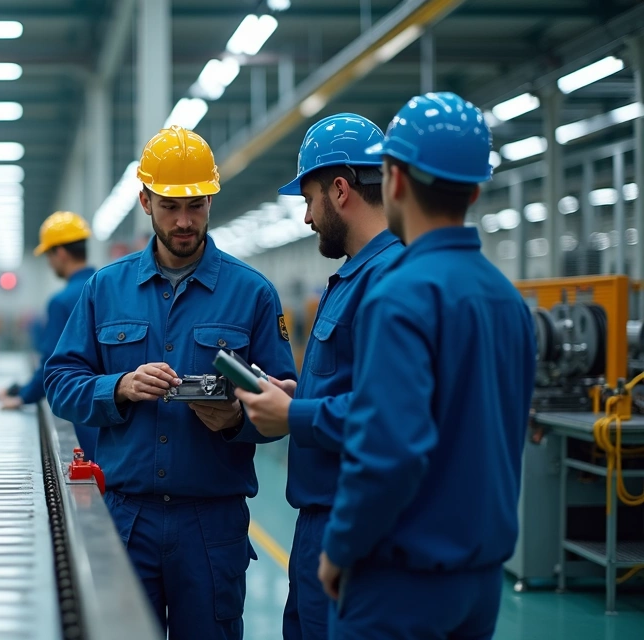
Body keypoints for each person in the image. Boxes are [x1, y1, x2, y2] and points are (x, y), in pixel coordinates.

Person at [44, 125, 297, 640]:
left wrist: (235, 420)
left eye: (197, 206)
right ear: (144, 200)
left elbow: (286, 405)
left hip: (211, 525)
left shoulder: (253, 294)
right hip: (126, 518)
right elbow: (60, 381)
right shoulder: (104, 290)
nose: (184, 221)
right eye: (169, 207)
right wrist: (117, 387)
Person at [316, 93, 534, 639]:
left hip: (399, 586)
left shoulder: (402, 295)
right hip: (480, 585)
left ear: (393, 180)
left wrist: (340, 547)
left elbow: (388, 451)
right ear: (476, 189)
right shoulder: (509, 301)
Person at [231, 113, 403, 640]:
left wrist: (294, 413)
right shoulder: (350, 277)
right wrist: (296, 393)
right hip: (318, 522)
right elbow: (350, 384)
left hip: (355, 525)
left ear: (341, 189)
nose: (306, 218)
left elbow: (388, 415)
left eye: (309, 200)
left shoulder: (389, 281)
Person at [0, 211, 98, 455]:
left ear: (60, 253)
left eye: (48, 256)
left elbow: (51, 364)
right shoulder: (108, 287)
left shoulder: (62, 301)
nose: (49, 263)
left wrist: (22, 397)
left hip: (86, 415)